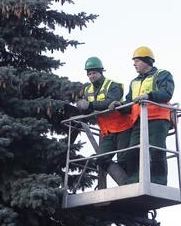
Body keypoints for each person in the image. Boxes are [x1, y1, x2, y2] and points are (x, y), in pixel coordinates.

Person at [116, 46, 175, 185]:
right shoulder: (134, 82)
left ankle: (158, 181)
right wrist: (119, 106)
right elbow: (130, 101)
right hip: (139, 120)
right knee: (133, 151)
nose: (134, 64)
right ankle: (135, 180)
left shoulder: (162, 74)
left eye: (137, 61)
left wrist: (148, 96)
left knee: (156, 150)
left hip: (158, 118)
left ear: (147, 61)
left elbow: (166, 93)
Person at [74, 57, 133, 188]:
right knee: (101, 158)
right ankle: (126, 184)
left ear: (101, 72)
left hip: (122, 127)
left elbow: (110, 102)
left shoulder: (113, 86)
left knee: (124, 159)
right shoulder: (87, 90)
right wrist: (82, 108)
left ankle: (129, 187)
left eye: (94, 72)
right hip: (106, 131)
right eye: (89, 73)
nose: (91, 76)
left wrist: (89, 105)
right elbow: (88, 109)